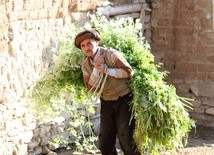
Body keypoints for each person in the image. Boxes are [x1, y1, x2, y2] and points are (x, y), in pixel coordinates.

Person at [74, 29, 140, 155]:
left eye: (89, 43)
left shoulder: (110, 54)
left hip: (124, 99)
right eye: (83, 45)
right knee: (105, 142)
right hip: (106, 101)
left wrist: (107, 70)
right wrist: (96, 71)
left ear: (97, 42)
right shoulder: (85, 65)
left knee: (126, 139)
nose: (87, 47)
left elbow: (128, 72)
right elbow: (90, 88)